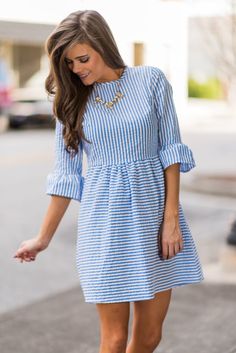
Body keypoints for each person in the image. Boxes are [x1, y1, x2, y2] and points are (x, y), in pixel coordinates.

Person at [13, 9, 204, 353]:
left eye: (82, 58)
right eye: (69, 64)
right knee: (114, 340)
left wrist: (171, 218)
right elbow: (66, 177)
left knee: (148, 337)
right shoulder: (70, 102)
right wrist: (42, 239)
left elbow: (171, 151)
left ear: (102, 45)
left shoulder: (150, 80)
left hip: (155, 220)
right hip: (105, 228)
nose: (76, 69)